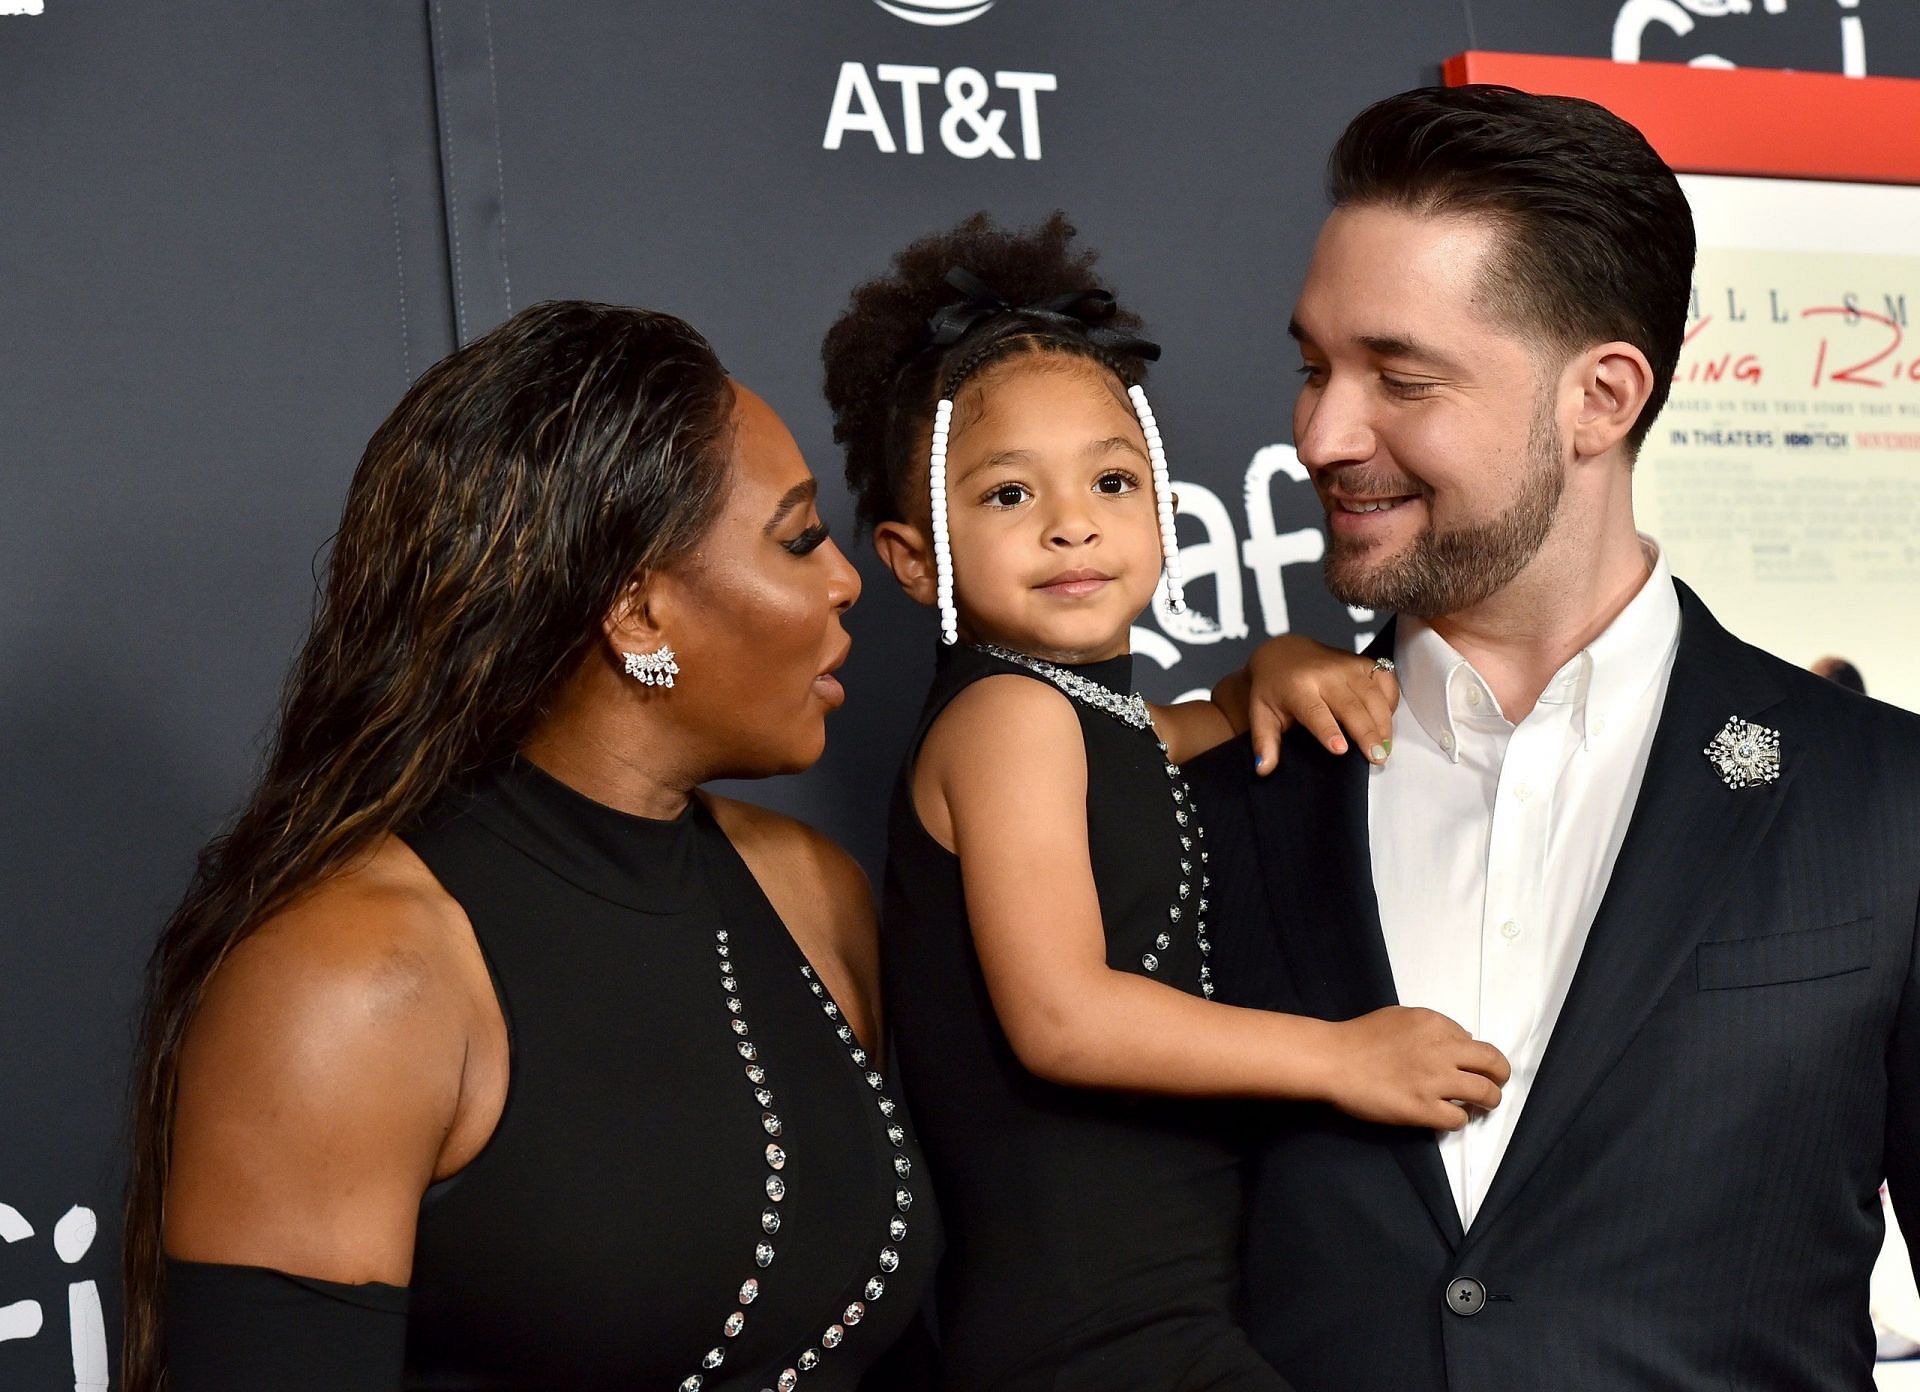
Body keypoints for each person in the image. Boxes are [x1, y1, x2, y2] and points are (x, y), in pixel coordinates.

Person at [1189, 85, 1920, 1390]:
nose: (1320, 433)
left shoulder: (1884, 796)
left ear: (1602, 398)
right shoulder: (1227, 789)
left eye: (1398, 377)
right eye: (1315, 365)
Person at [127, 301, 939, 1391]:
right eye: (797, 538)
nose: (845, 579)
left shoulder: (811, 895)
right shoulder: (349, 982)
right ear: (638, 614)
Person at [820, 213, 1512, 1391]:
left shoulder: (1079, 716)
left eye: (1109, 478)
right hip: (1090, 1324)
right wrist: (1345, 1059)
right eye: (1004, 497)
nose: (1071, 521)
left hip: (1160, 1302)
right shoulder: (1008, 721)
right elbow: (1067, 1017)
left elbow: (1174, 733)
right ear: (914, 560)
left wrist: (1269, 671)